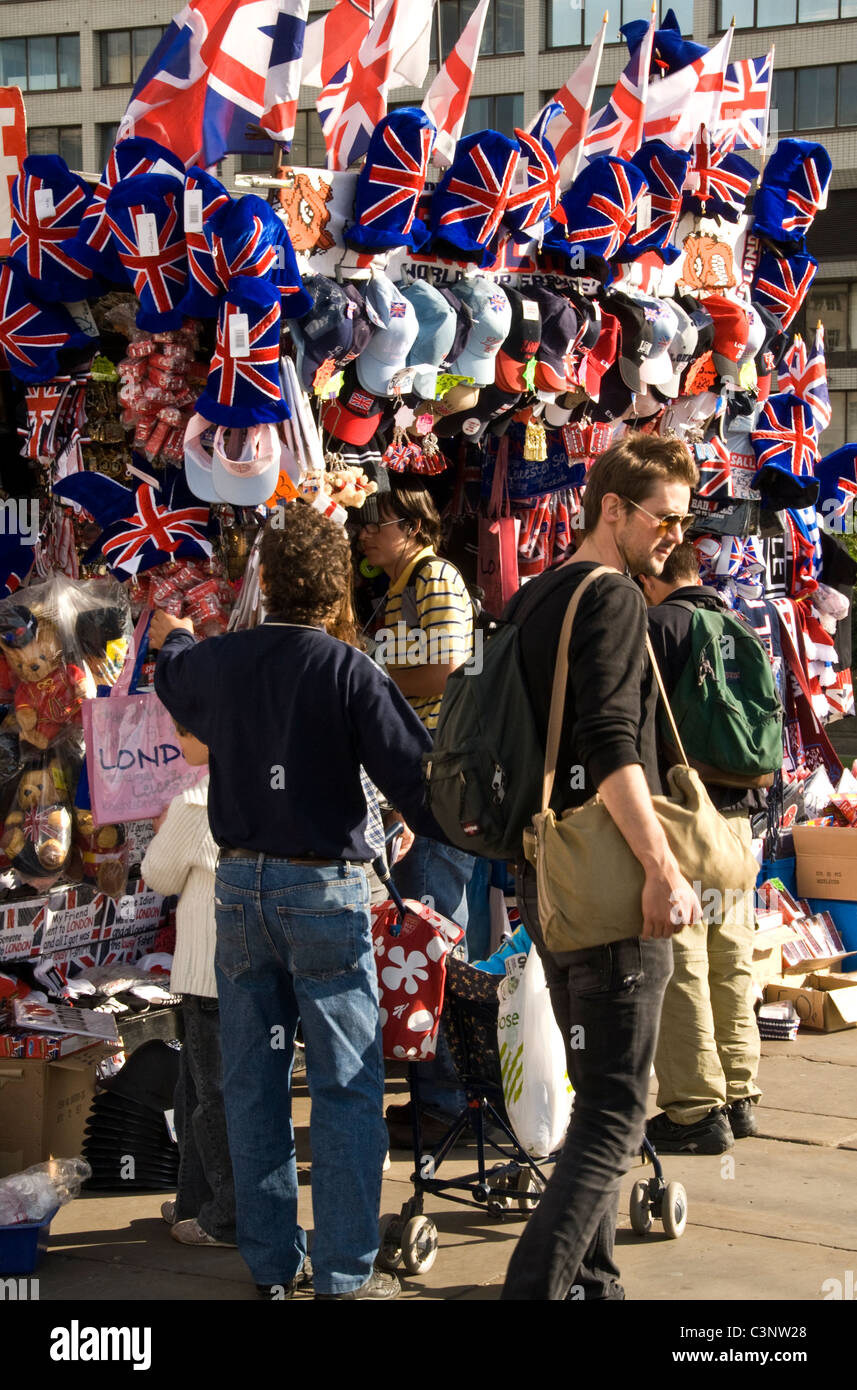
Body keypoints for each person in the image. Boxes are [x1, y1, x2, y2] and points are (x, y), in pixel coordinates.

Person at [149, 501, 448, 1301]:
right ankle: (344, 1274)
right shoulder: (351, 670)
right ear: (335, 587)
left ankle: (274, 1267)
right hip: (323, 888)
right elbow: (420, 784)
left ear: (267, 584)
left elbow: (173, 668)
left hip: (241, 886)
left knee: (255, 1081)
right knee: (347, 1085)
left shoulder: (225, 661)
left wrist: (173, 631)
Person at [500, 432, 702, 1302]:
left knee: (595, 1089)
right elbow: (614, 747)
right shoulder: (612, 599)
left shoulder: (535, 596)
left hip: (547, 875)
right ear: (611, 509)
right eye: (664, 517)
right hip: (609, 877)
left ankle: (591, 1281)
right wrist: (661, 868)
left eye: (684, 520)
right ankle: (537, 1287)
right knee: (618, 1108)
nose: (675, 536)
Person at [357, 478, 478, 1143]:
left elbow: (449, 667)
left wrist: (365, 679)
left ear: (414, 527)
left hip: (436, 783)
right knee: (419, 934)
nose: (366, 535)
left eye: (378, 524)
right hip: (415, 785)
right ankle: (438, 1091)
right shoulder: (402, 587)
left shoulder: (433, 579)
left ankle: (448, 1100)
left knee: (430, 935)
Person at [639, 541, 762, 1154]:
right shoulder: (742, 625)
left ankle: (693, 1112)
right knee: (730, 956)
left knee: (679, 962)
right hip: (739, 824)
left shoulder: (655, 627)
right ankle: (739, 1096)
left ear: (655, 577)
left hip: (682, 818)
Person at [141, 724, 237, 1249]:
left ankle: (224, 1213)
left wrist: (163, 831)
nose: (177, 738)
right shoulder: (250, 791)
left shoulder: (195, 802)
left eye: (186, 728)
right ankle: (194, 1202)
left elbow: (157, 873)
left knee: (209, 1096)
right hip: (241, 967)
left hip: (206, 972)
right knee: (198, 1089)